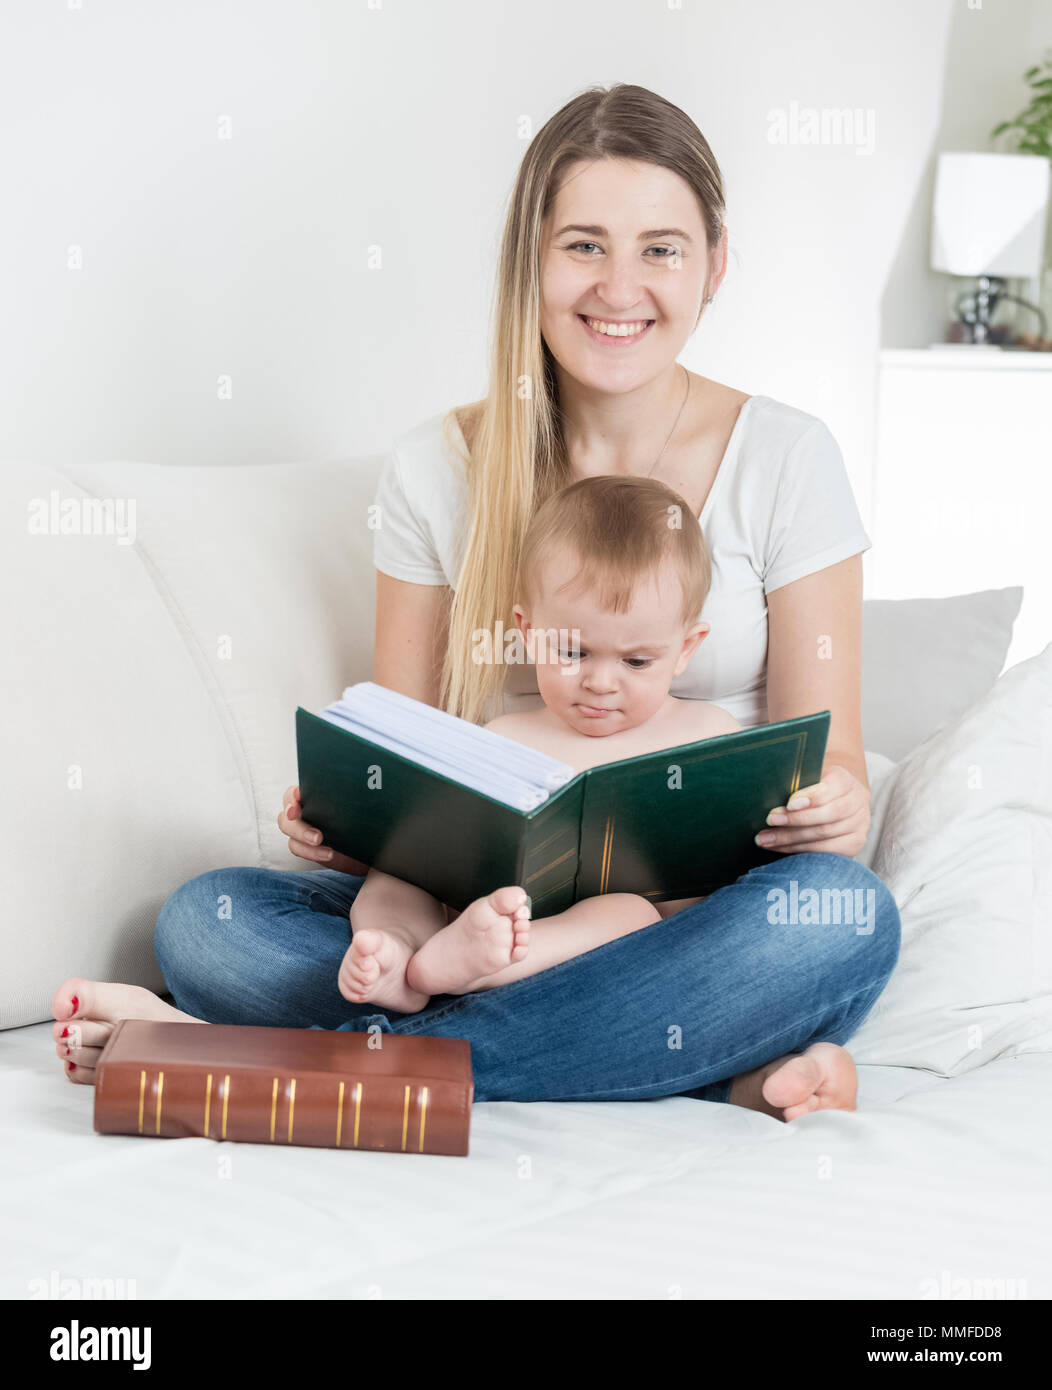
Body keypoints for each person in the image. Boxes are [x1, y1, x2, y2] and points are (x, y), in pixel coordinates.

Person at [51, 82, 900, 1123]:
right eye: (583, 245)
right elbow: (403, 759)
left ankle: (281, 1060)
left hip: (679, 925)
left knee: (842, 919)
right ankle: (692, 1063)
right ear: (530, 261)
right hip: (467, 920)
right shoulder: (436, 469)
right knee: (209, 919)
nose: (619, 287)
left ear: (714, 263)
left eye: (661, 249)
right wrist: (347, 824)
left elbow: (838, 773)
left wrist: (834, 806)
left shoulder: (785, 458)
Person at [341, 474, 740, 1011]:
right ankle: (399, 953)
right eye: (573, 653)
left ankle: (466, 976)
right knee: (395, 873)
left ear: (686, 648)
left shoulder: (709, 735)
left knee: (630, 910)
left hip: (614, 965)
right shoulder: (503, 737)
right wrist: (354, 821)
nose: (601, 682)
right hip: (484, 915)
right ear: (528, 633)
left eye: (636, 661)